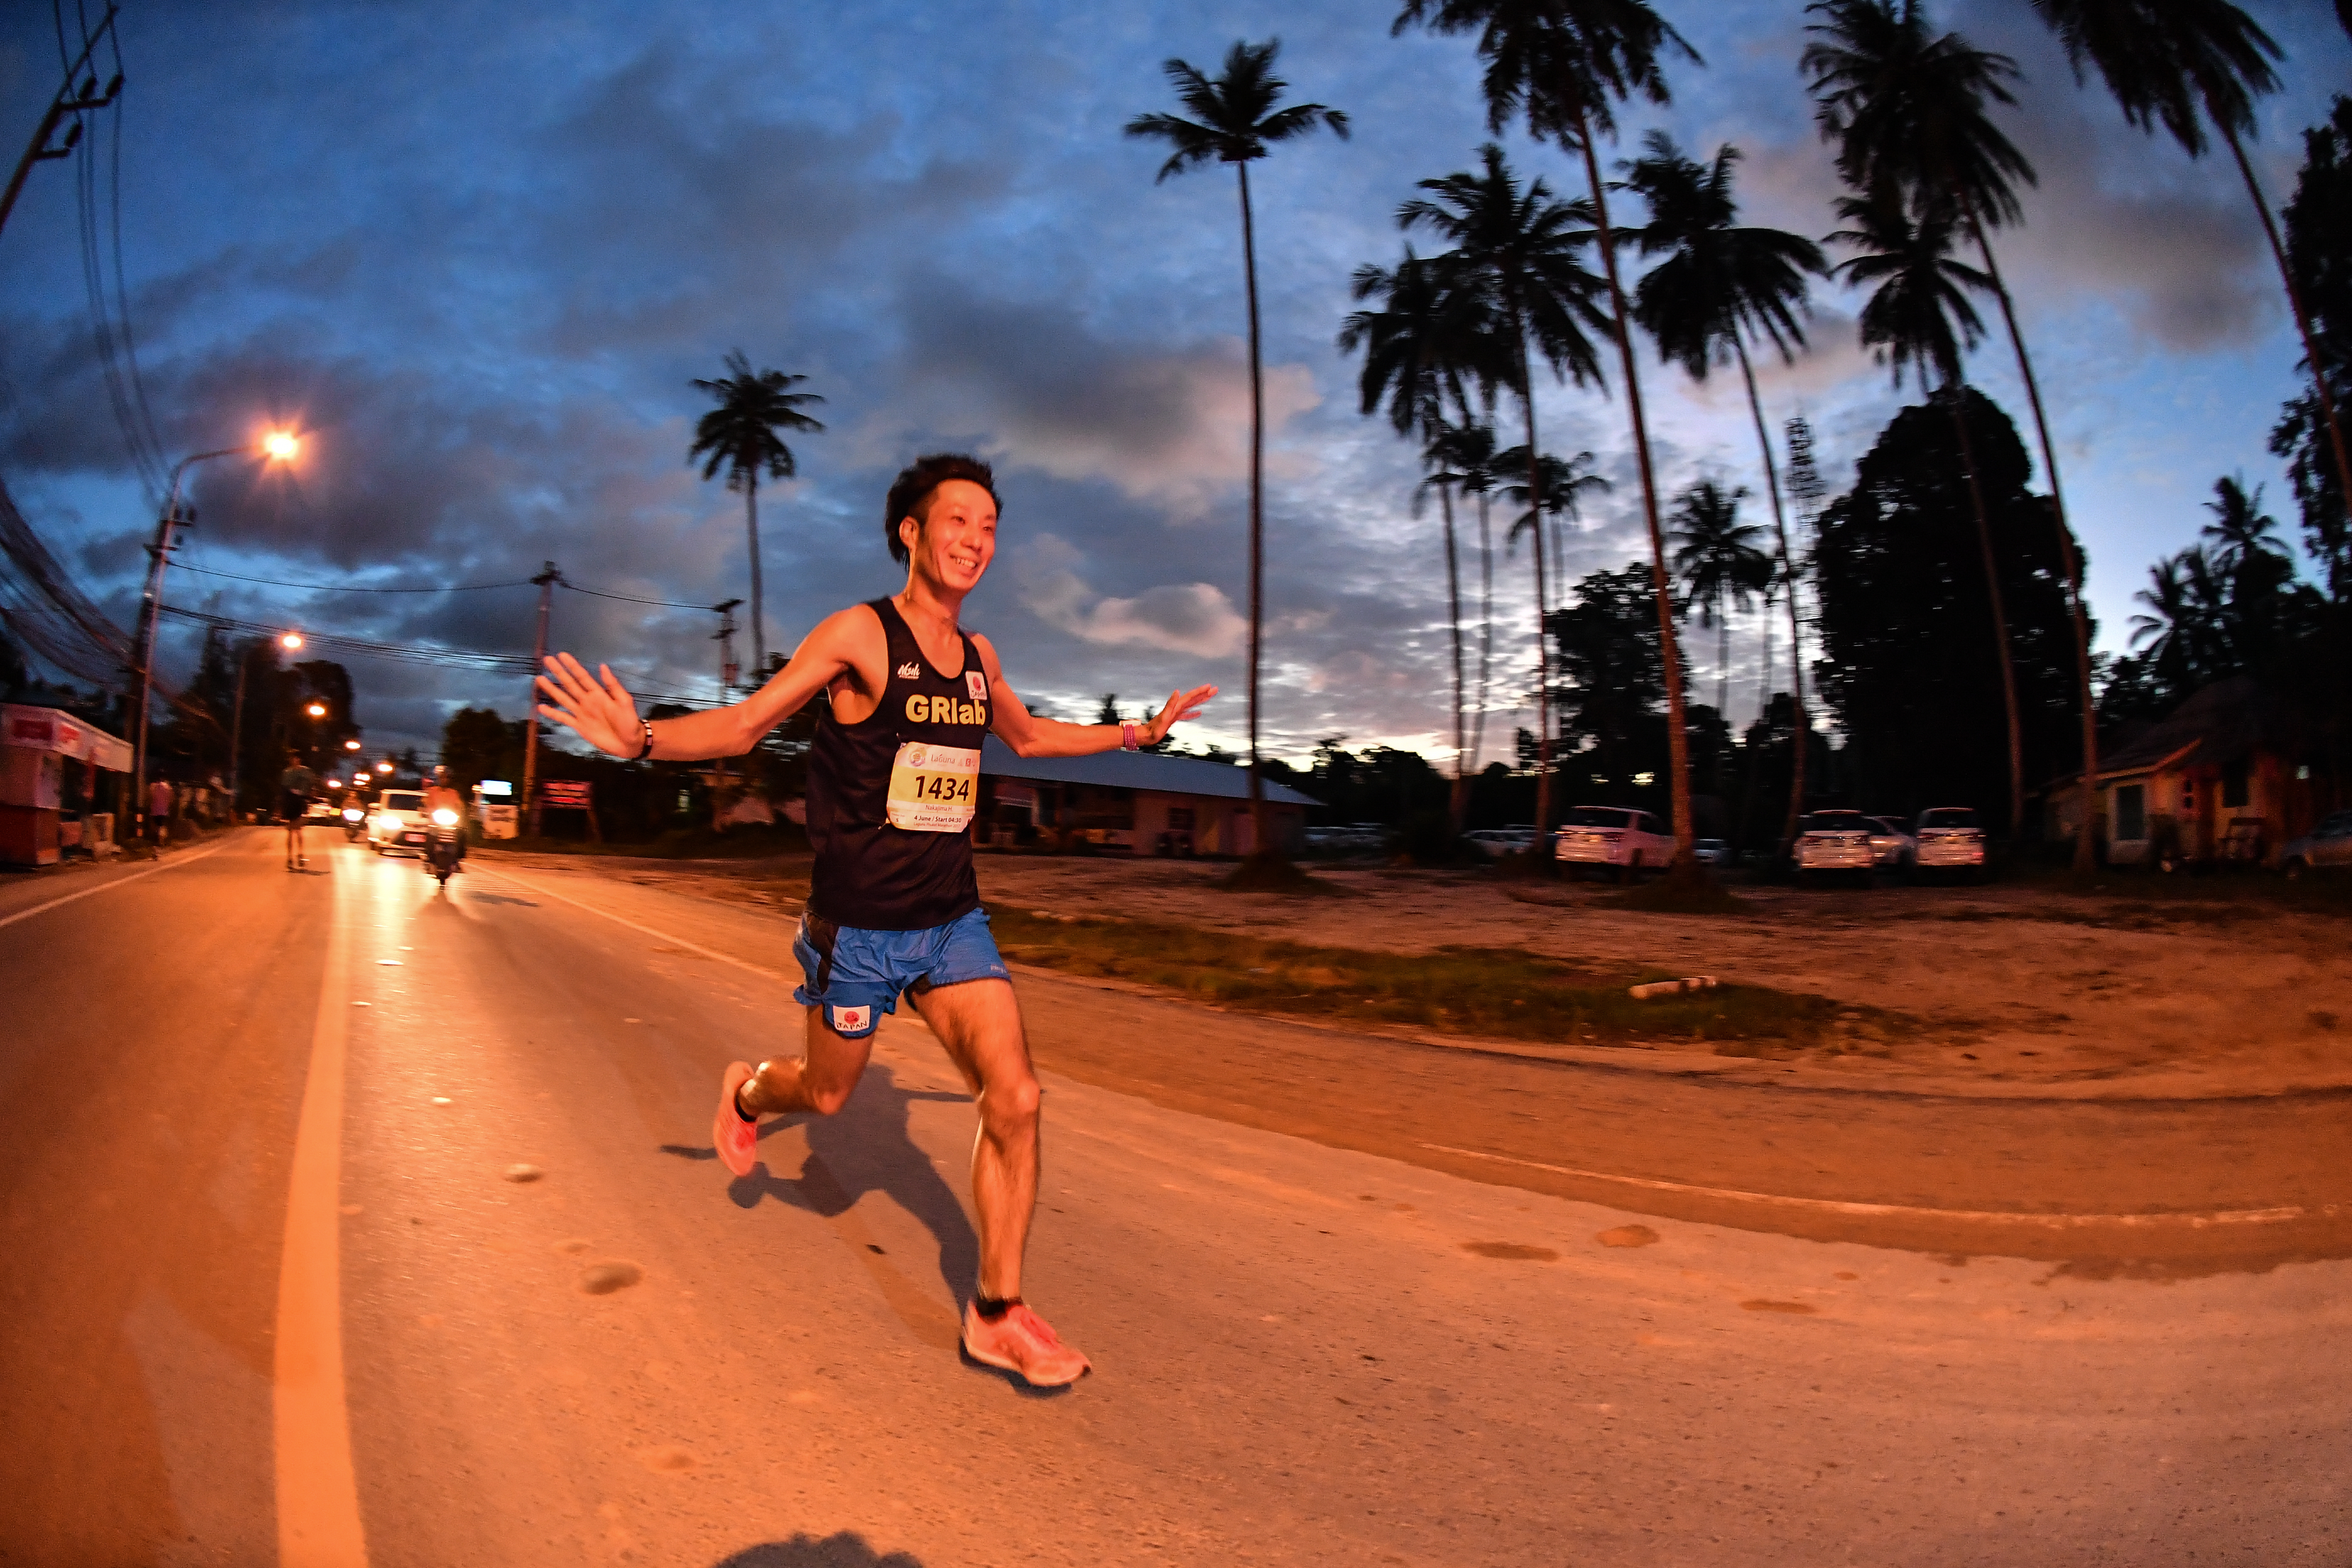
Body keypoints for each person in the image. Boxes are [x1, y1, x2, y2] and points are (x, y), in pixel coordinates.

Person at [536, 453, 1215, 1388]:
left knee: (1016, 1097)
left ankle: (997, 1312)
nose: (976, 540)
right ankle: (748, 1093)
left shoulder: (979, 659)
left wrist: (1139, 733)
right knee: (824, 1096)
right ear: (911, 531)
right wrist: (644, 740)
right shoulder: (861, 633)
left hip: (950, 921)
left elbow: (1028, 736)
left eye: (989, 527)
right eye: (958, 520)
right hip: (856, 929)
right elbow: (748, 722)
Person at [422, 765, 467, 872]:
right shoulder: (433, 791)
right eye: (442, 778)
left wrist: (460, 813)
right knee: (430, 835)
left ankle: (457, 861)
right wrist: (428, 811)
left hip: (450, 823)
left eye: (447, 778)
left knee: (462, 834)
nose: (444, 780)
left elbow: (460, 806)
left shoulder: (454, 793)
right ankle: (430, 860)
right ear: (439, 779)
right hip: (436, 823)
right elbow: (426, 803)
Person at [277, 752, 318, 869]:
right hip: (290, 802)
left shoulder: (305, 772)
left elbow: (311, 786)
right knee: (291, 831)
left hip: (299, 802)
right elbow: (283, 790)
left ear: (299, 760)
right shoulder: (287, 773)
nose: (295, 761)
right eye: (293, 759)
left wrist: (310, 795)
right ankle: (290, 857)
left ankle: (300, 854)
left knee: (298, 829)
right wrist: (280, 806)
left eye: (296, 759)